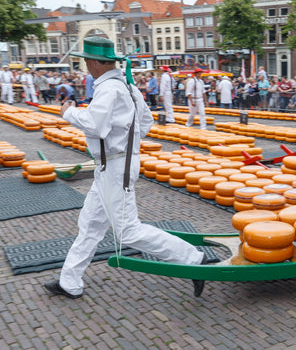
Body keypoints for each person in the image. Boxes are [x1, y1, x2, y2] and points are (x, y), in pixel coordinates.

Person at [43, 37, 207, 299]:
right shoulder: (128, 87)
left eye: (86, 59)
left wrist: (68, 113)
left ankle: (192, 258)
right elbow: (146, 121)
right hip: (115, 163)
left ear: (95, 63)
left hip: (115, 166)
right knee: (91, 224)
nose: (85, 64)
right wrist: (127, 141)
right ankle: (69, 281)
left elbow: (95, 126)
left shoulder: (109, 89)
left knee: (128, 231)